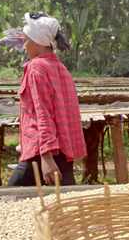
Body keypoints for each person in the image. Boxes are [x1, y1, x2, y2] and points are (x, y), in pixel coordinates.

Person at [8, 12, 86, 186]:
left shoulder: (36, 68)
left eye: (26, 40)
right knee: (62, 205)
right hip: (63, 152)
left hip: (41, 153)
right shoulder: (61, 69)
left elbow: (43, 114)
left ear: (37, 42)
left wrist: (46, 157)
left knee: (11, 198)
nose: (25, 46)